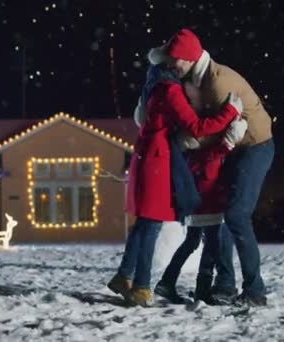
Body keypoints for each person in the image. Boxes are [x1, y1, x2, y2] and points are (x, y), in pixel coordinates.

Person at [107, 29, 243, 307]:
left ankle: (124, 276)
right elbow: (196, 127)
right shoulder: (170, 90)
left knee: (143, 222)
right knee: (152, 224)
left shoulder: (153, 86)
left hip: (145, 156)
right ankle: (142, 287)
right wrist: (229, 113)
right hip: (157, 160)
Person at [151, 28, 275, 306]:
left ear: (188, 58)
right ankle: (225, 284)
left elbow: (211, 134)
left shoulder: (218, 83)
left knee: (236, 214)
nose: (171, 65)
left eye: (174, 60)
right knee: (220, 216)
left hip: (254, 147)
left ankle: (255, 291)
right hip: (230, 149)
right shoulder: (191, 79)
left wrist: (181, 141)